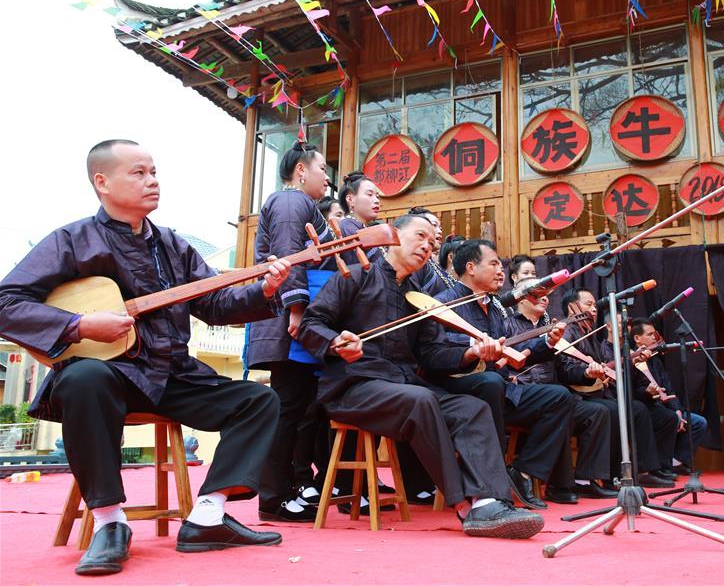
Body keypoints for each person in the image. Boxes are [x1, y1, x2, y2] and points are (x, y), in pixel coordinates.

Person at [0, 140, 293, 576]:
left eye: (154, 172)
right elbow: (7, 301)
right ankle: (109, 523)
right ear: (102, 182)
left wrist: (264, 291)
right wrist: (79, 327)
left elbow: (213, 304)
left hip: (170, 374)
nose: (152, 181)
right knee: (83, 377)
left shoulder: (173, 245)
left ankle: (208, 516)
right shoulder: (72, 240)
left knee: (259, 401)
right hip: (108, 377)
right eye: (139, 172)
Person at [299, 215, 544, 539]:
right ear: (393, 237)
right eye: (420, 236)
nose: (428, 245)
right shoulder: (355, 276)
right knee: (422, 399)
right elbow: (310, 323)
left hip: (404, 385)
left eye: (432, 242)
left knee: (472, 409)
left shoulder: (419, 298)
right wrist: (335, 342)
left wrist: (470, 354)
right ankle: (463, 504)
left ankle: (489, 501)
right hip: (354, 384)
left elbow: (432, 352)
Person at [434, 240, 576, 510]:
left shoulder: (496, 307)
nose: (501, 270)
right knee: (490, 382)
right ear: (471, 267)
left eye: (501, 265)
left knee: (559, 397)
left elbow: (513, 350)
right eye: (494, 264)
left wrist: (546, 343)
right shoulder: (444, 303)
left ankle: (521, 472)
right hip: (459, 389)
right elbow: (435, 350)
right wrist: (473, 350)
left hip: (500, 388)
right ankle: (493, 482)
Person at [245, 141, 335, 523]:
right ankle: (273, 497)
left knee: (298, 410)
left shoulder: (304, 206)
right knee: (287, 410)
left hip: (295, 320)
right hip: (289, 321)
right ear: (301, 170)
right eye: (322, 169)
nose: (327, 177)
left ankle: (287, 489)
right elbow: (287, 256)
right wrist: (296, 308)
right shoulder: (290, 202)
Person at [505, 280, 617, 502]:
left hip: (552, 392)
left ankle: (585, 479)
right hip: (521, 393)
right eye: (539, 293)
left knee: (598, 411)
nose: (545, 297)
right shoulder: (507, 324)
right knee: (560, 401)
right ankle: (557, 483)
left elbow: (565, 371)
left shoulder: (552, 328)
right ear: (519, 297)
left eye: (547, 294)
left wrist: (586, 373)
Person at [558, 288, 676, 488]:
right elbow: (564, 369)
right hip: (575, 396)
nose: (593, 309)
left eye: (595, 305)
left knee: (636, 409)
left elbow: (607, 370)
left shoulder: (589, 337)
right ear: (572, 307)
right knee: (614, 409)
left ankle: (641, 470)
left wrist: (611, 370)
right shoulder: (568, 333)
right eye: (588, 304)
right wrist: (587, 373)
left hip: (593, 394)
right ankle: (598, 478)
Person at [630, 317, 708, 474]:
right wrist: (647, 393)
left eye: (655, 334)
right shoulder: (632, 360)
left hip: (666, 407)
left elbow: (669, 389)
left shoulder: (655, 360)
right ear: (637, 338)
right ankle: (660, 466)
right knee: (668, 418)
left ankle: (676, 462)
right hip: (646, 408)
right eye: (650, 334)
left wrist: (677, 411)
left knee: (698, 423)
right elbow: (632, 390)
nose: (654, 337)